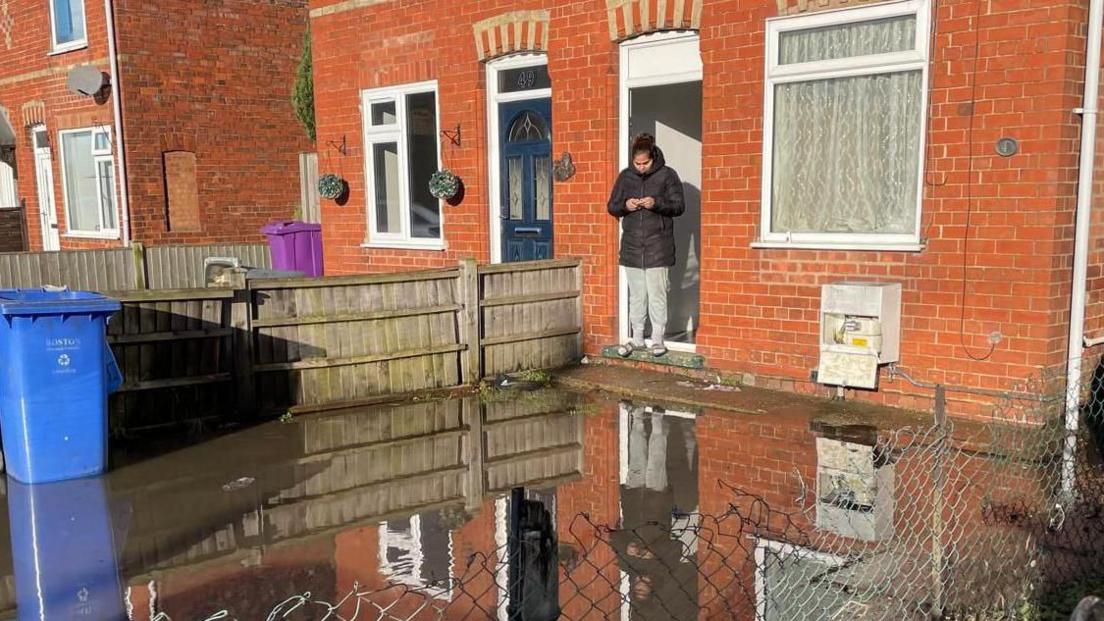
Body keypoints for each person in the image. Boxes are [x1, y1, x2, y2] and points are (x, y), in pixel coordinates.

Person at [607, 133, 685, 357]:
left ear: (653, 158)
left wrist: (656, 203)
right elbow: (611, 206)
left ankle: (658, 339)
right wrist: (625, 205)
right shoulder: (625, 177)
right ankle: (638, 338)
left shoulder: (667, 175)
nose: (640, 167)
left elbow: (679, 206)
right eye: (637, 164)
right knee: (637, 295)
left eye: (645, 163)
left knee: (657, 294)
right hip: (632, 246)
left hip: (658, 246)